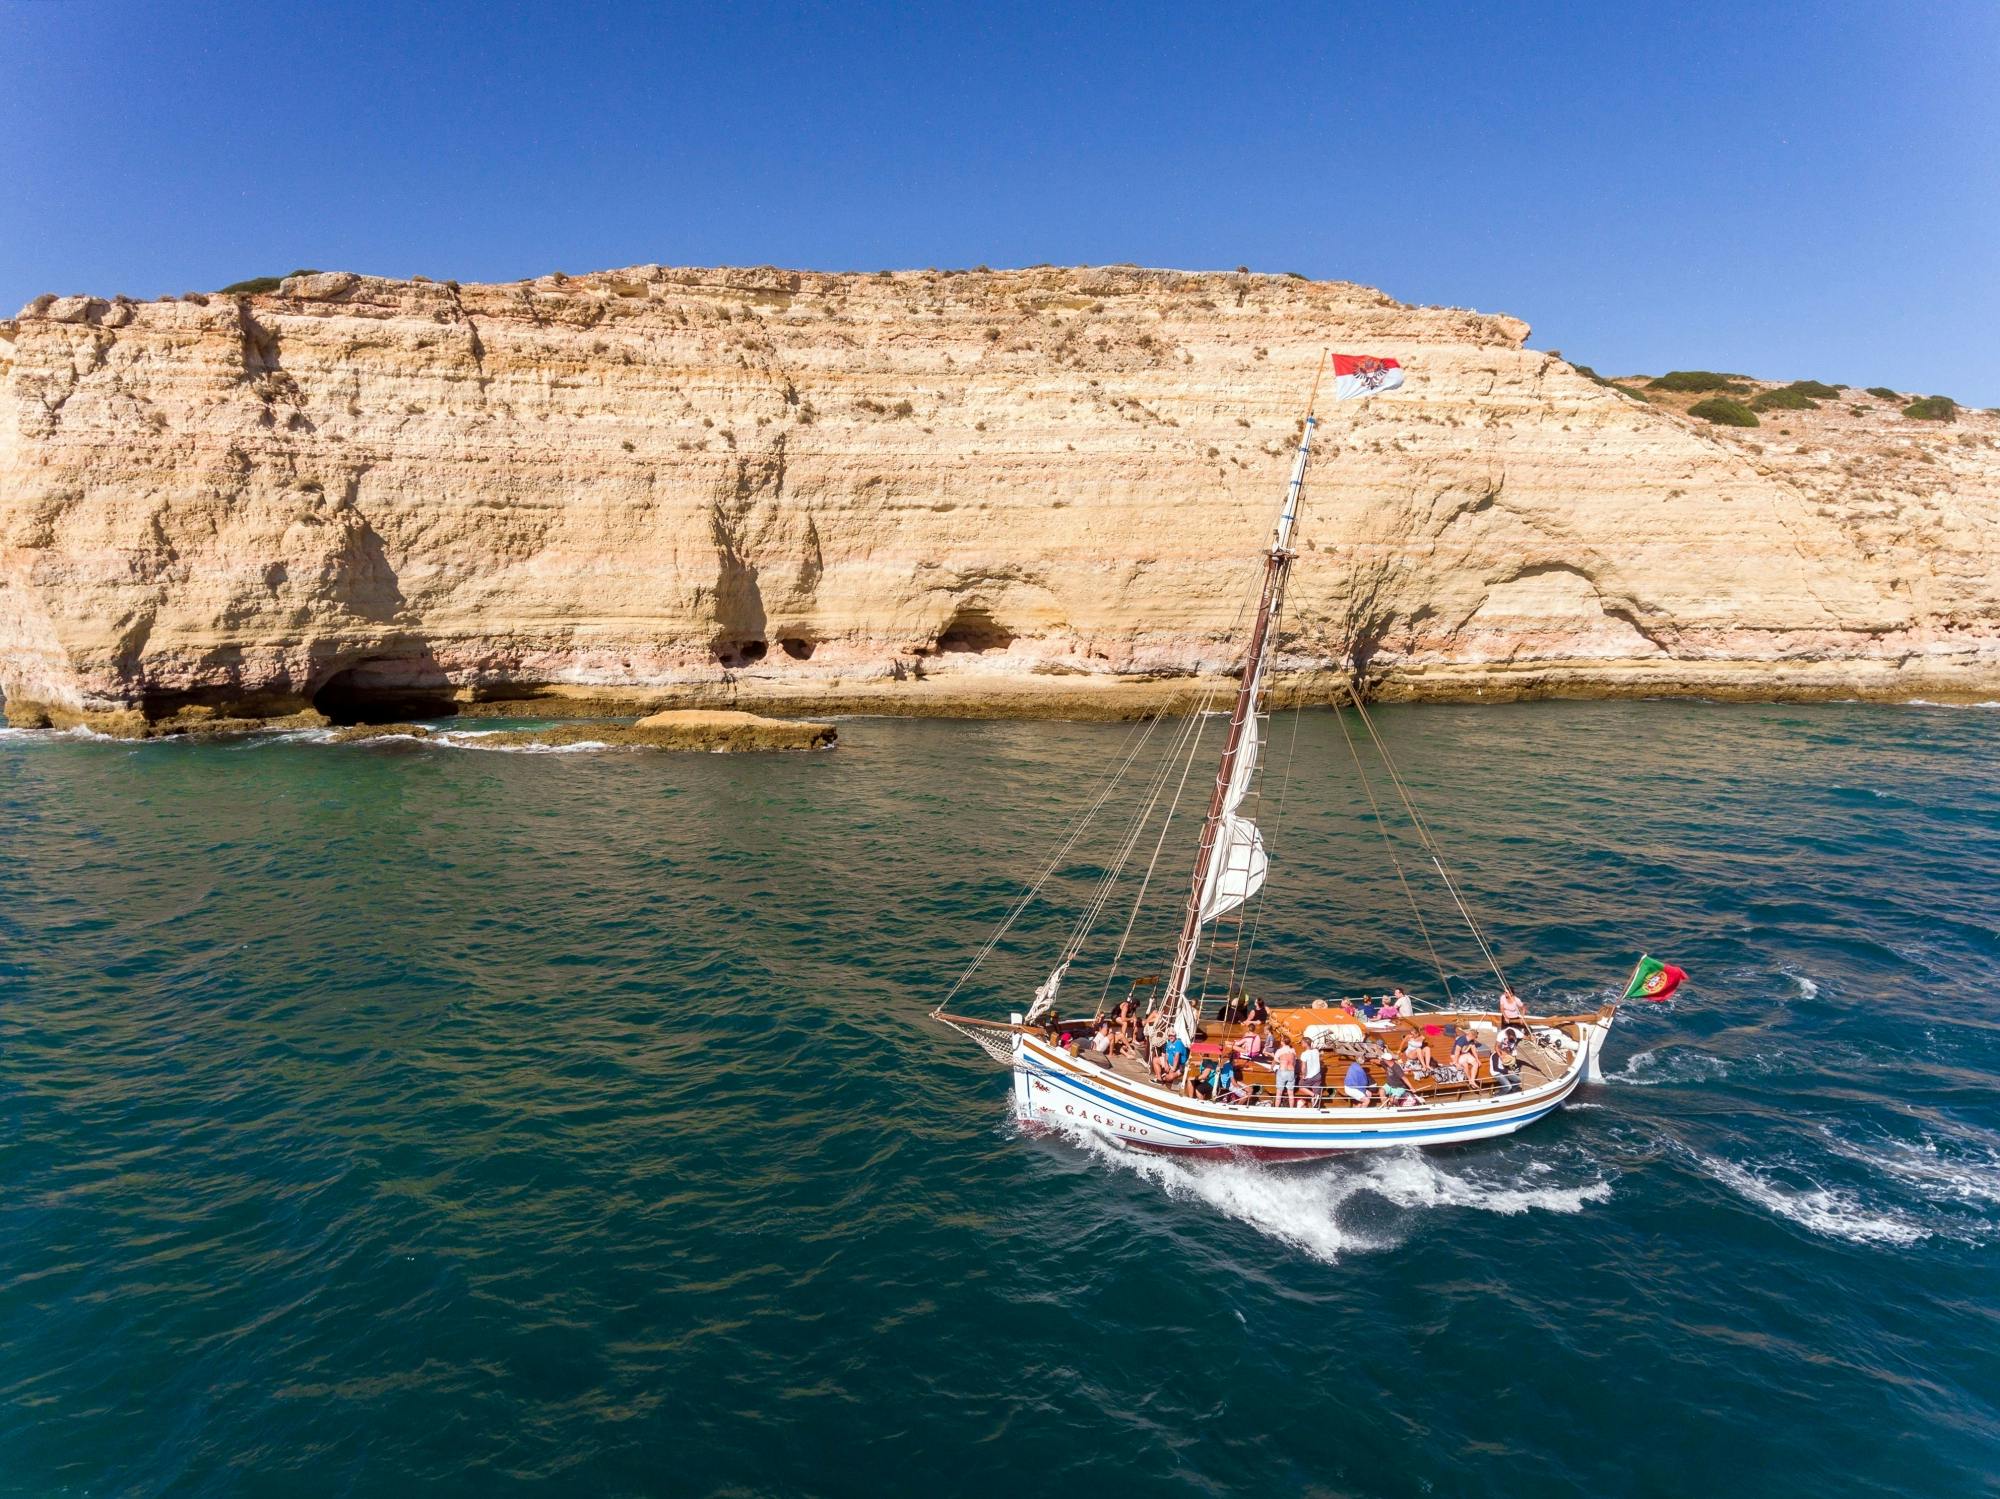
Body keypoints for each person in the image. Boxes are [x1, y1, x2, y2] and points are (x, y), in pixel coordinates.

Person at [1272, 1038, 1298, 1107]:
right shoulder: (1293, 1050)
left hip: (1282, 1071)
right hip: (1291, 1071)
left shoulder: (1280, 1050)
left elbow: (1275, 1060)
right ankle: (1291, 1109)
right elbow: (1295, 1061)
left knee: (1279, 1093)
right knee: (1291, 1093)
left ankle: (1276, 1108)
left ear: (1282, 1042)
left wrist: (1272, 1067)